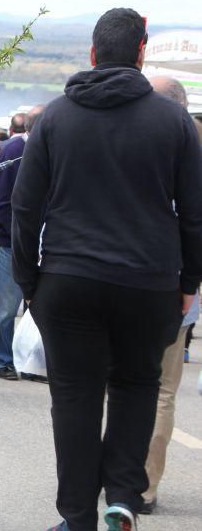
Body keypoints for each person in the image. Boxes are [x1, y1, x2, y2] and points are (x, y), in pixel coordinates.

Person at [11, 8, 202, 531]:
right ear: (140, 53)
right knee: (138, 387)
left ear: (93, 54)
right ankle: (121, 497)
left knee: (74, 397)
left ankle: (77, 518)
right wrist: (189, 284)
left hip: (69, 280)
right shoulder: (174, 121)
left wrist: (30, 282)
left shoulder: (55, 118)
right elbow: (195, 212)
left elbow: (26, 210)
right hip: (149, 283)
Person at [140, 76, 201, 515]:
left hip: (137, 282)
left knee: (126, 384)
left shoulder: (142, 143)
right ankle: (142, 486)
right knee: (160, 390)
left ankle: (122, 476)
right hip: (176, 286)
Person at [0, 104, 44, 381]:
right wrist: (18, 237)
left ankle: (32, 362)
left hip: (43, 243)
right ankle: (3, 360)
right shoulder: (13, 152)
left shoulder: (51, 150)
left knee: (39, 306)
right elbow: (1, 202)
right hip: (11, 240)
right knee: (6, 307)